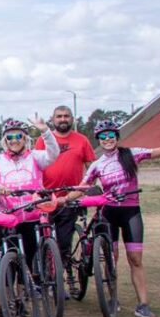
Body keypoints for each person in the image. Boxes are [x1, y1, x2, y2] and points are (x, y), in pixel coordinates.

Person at [75, 108, 160, 317]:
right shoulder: (97, 165)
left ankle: (143, 305)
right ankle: (113, 297)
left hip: (131, 212)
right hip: (109, 214)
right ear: (99, 139)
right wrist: (63, 199)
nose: (107, 139)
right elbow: (82, 187)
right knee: (111, 259)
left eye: (111, 135)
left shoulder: (130, 154)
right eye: (103, 137)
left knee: (135, 259)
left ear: (116, 137)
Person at [0, 116, 60, 281]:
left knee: (28, 257)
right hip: (10, 215)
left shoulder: (35, 157)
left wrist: (45, 131)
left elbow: (54, 154)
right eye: (10, 137)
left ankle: (24, 294)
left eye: (18, 136)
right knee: (11, 261)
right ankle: (10, 301)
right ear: (4, 140)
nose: (14, 140)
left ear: (25, 138)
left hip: (32, 215)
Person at [34, 105, 96, 276]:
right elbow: (35, 165)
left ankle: (61, 275)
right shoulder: (42, 140)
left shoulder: (82, 140)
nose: (63, 119)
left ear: (72, 118)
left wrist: (86, 187)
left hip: (70, 198)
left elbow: (92, 168)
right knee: (44, 238)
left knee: (63, 241)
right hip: (46, 197)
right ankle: (46, 276)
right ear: (52, 119)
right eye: (59, 116)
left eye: (66, 116)